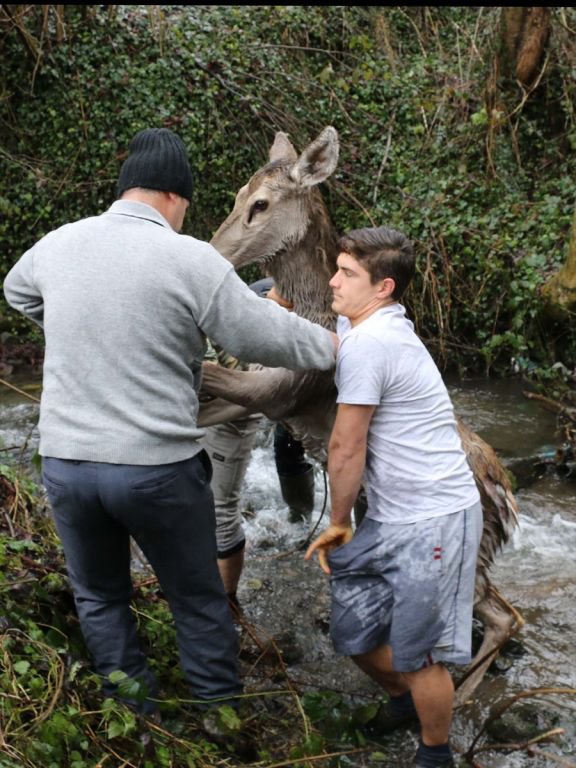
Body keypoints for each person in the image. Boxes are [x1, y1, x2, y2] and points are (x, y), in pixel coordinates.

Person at [3, 127, 337, 719]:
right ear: (176, 198)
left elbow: (17, 290)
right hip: (153, 468)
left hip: (68, 464)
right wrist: (341, 346)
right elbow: (266, 334)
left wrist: (82, 329)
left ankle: (133, 715)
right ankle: (216, 717)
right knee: (197, 599)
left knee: (101, 597)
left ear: (127, 187)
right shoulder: (190, 259)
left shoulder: (57, 244)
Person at [305, 226, 482, 768]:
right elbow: (333, 316)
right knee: (353, 630)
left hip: (435, 519)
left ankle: (435, 751)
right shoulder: (369, 319)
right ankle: (406, 701)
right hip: (391, 515)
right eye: (335, 268)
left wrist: (336, 521)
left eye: (346, 275)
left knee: (421, 651)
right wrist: (281, 301)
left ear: (383, 288)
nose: (332, 282)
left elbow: (346, 444)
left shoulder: (374, 343)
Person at [202, 277, 315, 612]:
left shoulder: (320, 305)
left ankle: (301, 518)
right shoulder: (243, 302)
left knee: (289, 446)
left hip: (285, 382)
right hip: (237, 394)